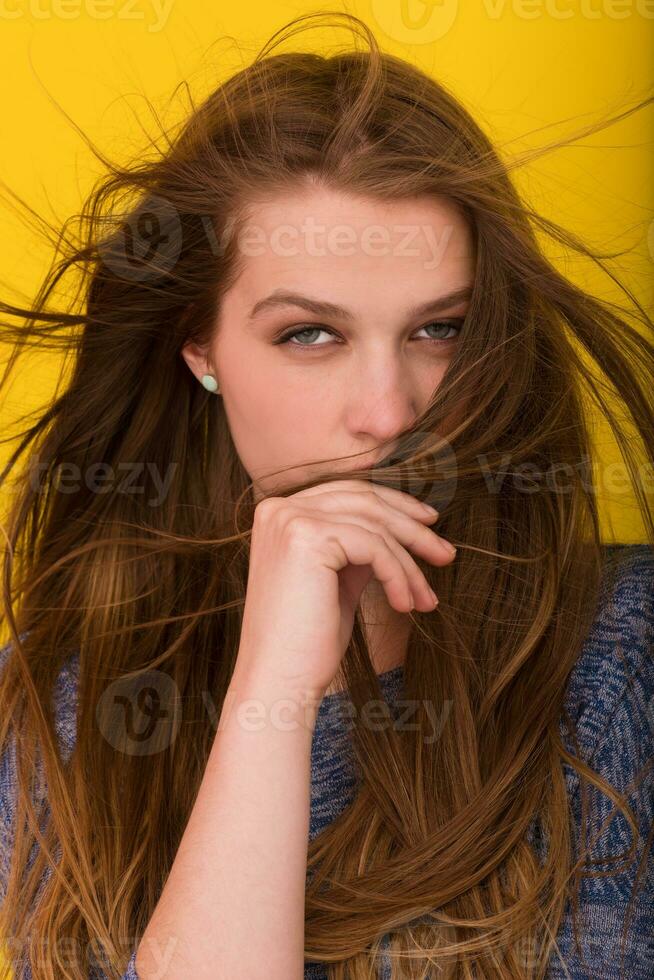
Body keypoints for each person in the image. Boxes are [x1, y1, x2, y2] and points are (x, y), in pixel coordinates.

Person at [0, 11, 652, 979]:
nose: (389, 412)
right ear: (200, 349)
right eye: (310, 333)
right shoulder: (68, 700)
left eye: (441, 329)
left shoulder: (621, 653)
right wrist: (275, 690)